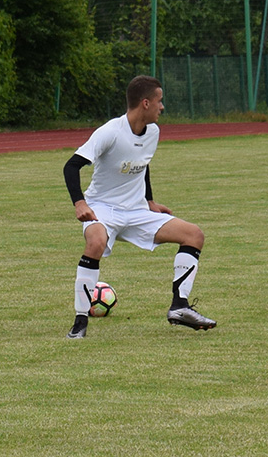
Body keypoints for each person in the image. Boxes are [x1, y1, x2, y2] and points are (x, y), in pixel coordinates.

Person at [63, 75, 216, 339]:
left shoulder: (153, 132)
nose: (162, 107)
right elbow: (71, 166)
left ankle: (179, 307)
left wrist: (149, 201)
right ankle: (80, 322)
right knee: (96, 242)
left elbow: (141, 164)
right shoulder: (110, 132)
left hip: (136, 211)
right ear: (145, 103)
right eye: (160, 101)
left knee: (194, 234)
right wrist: (80, 203)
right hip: (103, 209)